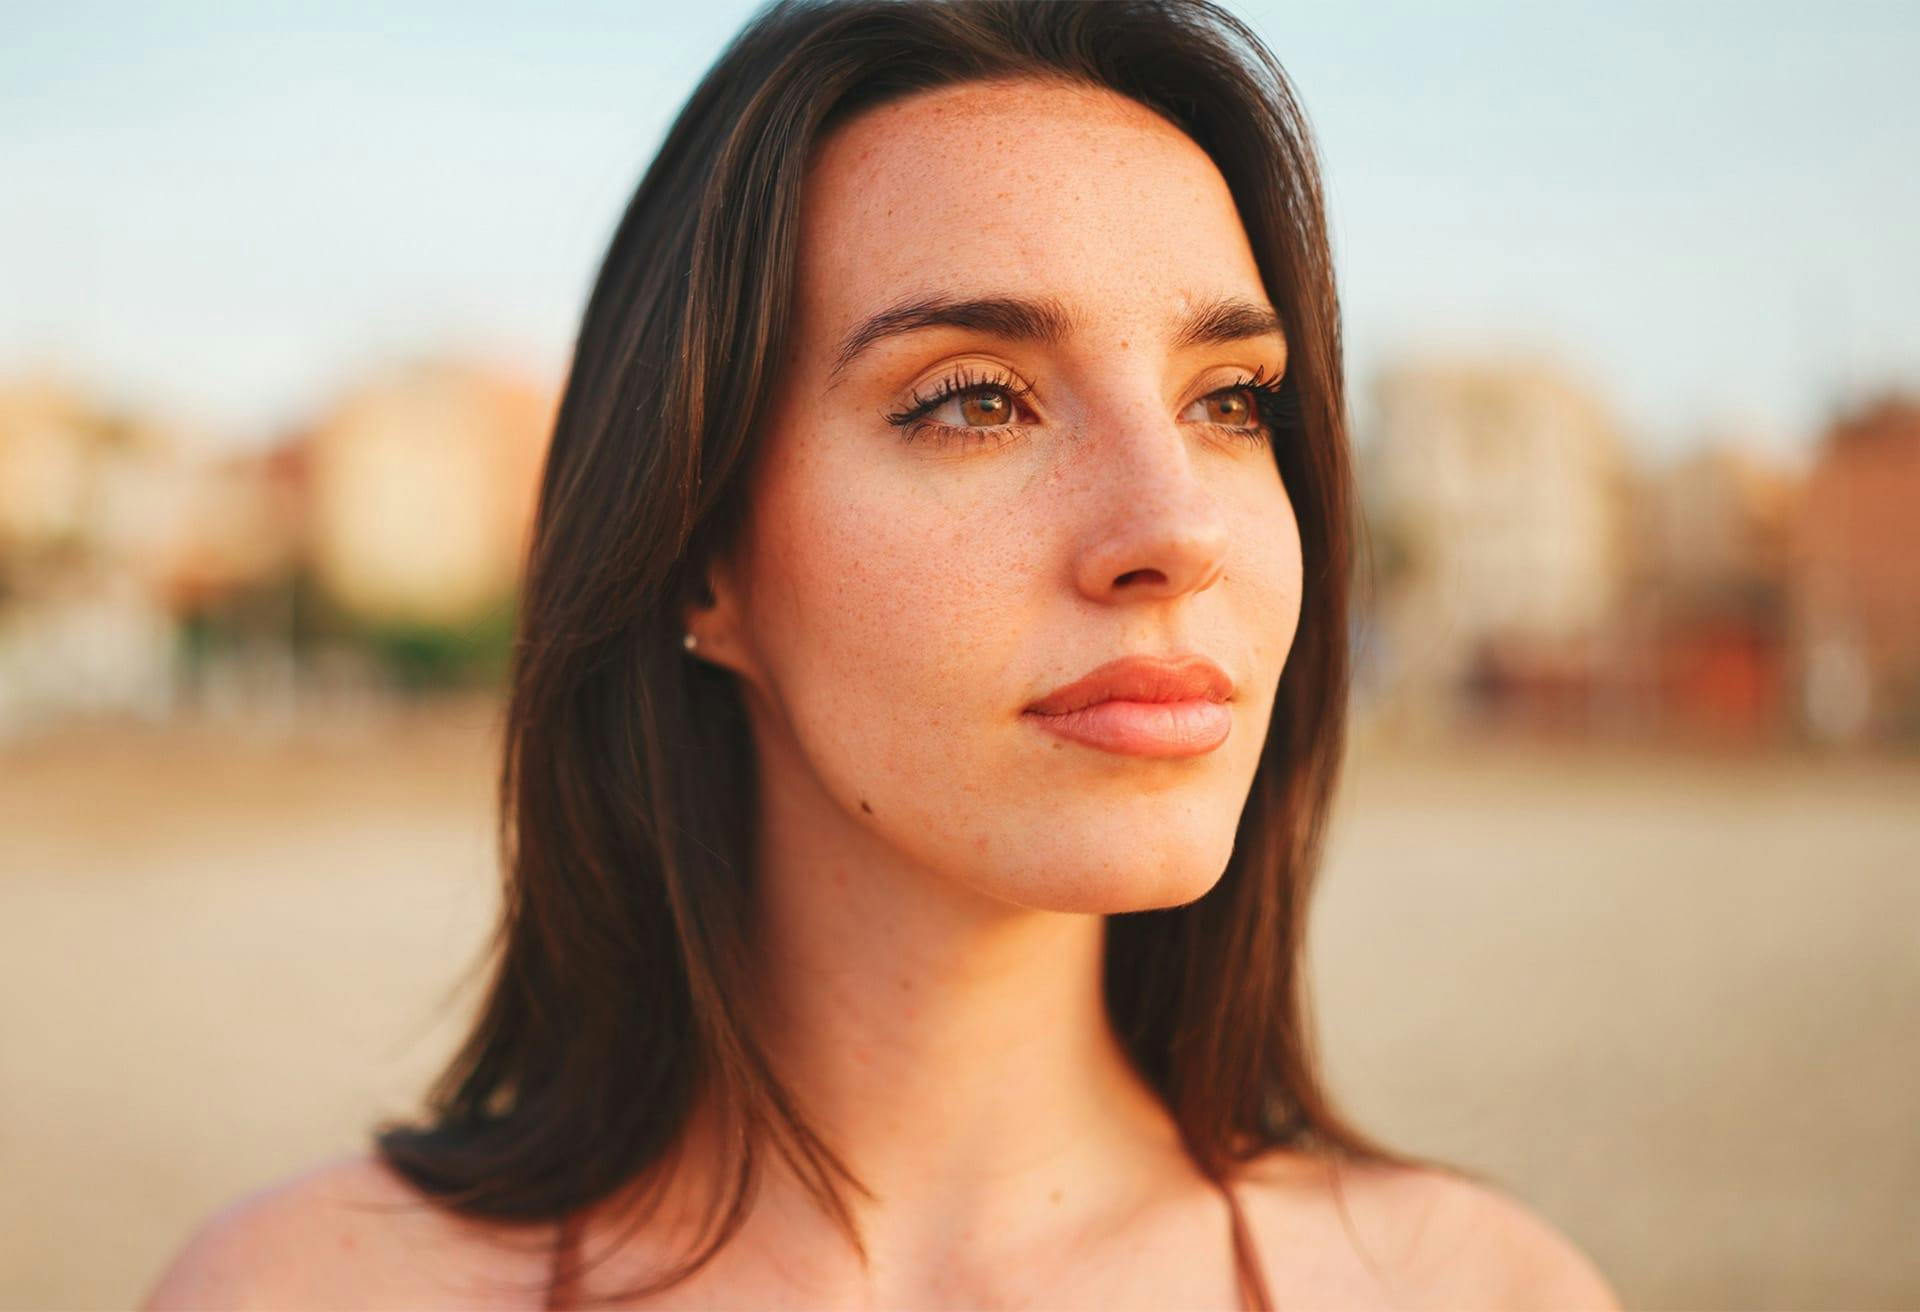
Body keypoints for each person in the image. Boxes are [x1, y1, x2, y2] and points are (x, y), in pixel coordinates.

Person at [143, 1, 1620, 1307]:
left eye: (1231, 401)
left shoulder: (1483, 1291)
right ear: (699, 554)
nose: (1177, 526)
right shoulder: (294, 1293)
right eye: (977, 399)